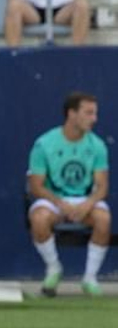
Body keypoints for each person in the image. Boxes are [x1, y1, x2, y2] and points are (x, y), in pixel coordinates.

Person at [28, 92, 108, 295]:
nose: (94, 119)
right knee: (38, 218)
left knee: (103, 219)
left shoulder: (97, 145)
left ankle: (90, 278)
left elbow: (102, 187)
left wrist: (86, 205)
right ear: (71, 114)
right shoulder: (44, 144)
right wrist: (61, 204)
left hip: (85, 200)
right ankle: (54, 268)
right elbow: (36, 186)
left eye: (94, 113)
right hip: (52, 199)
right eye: (88, 113)